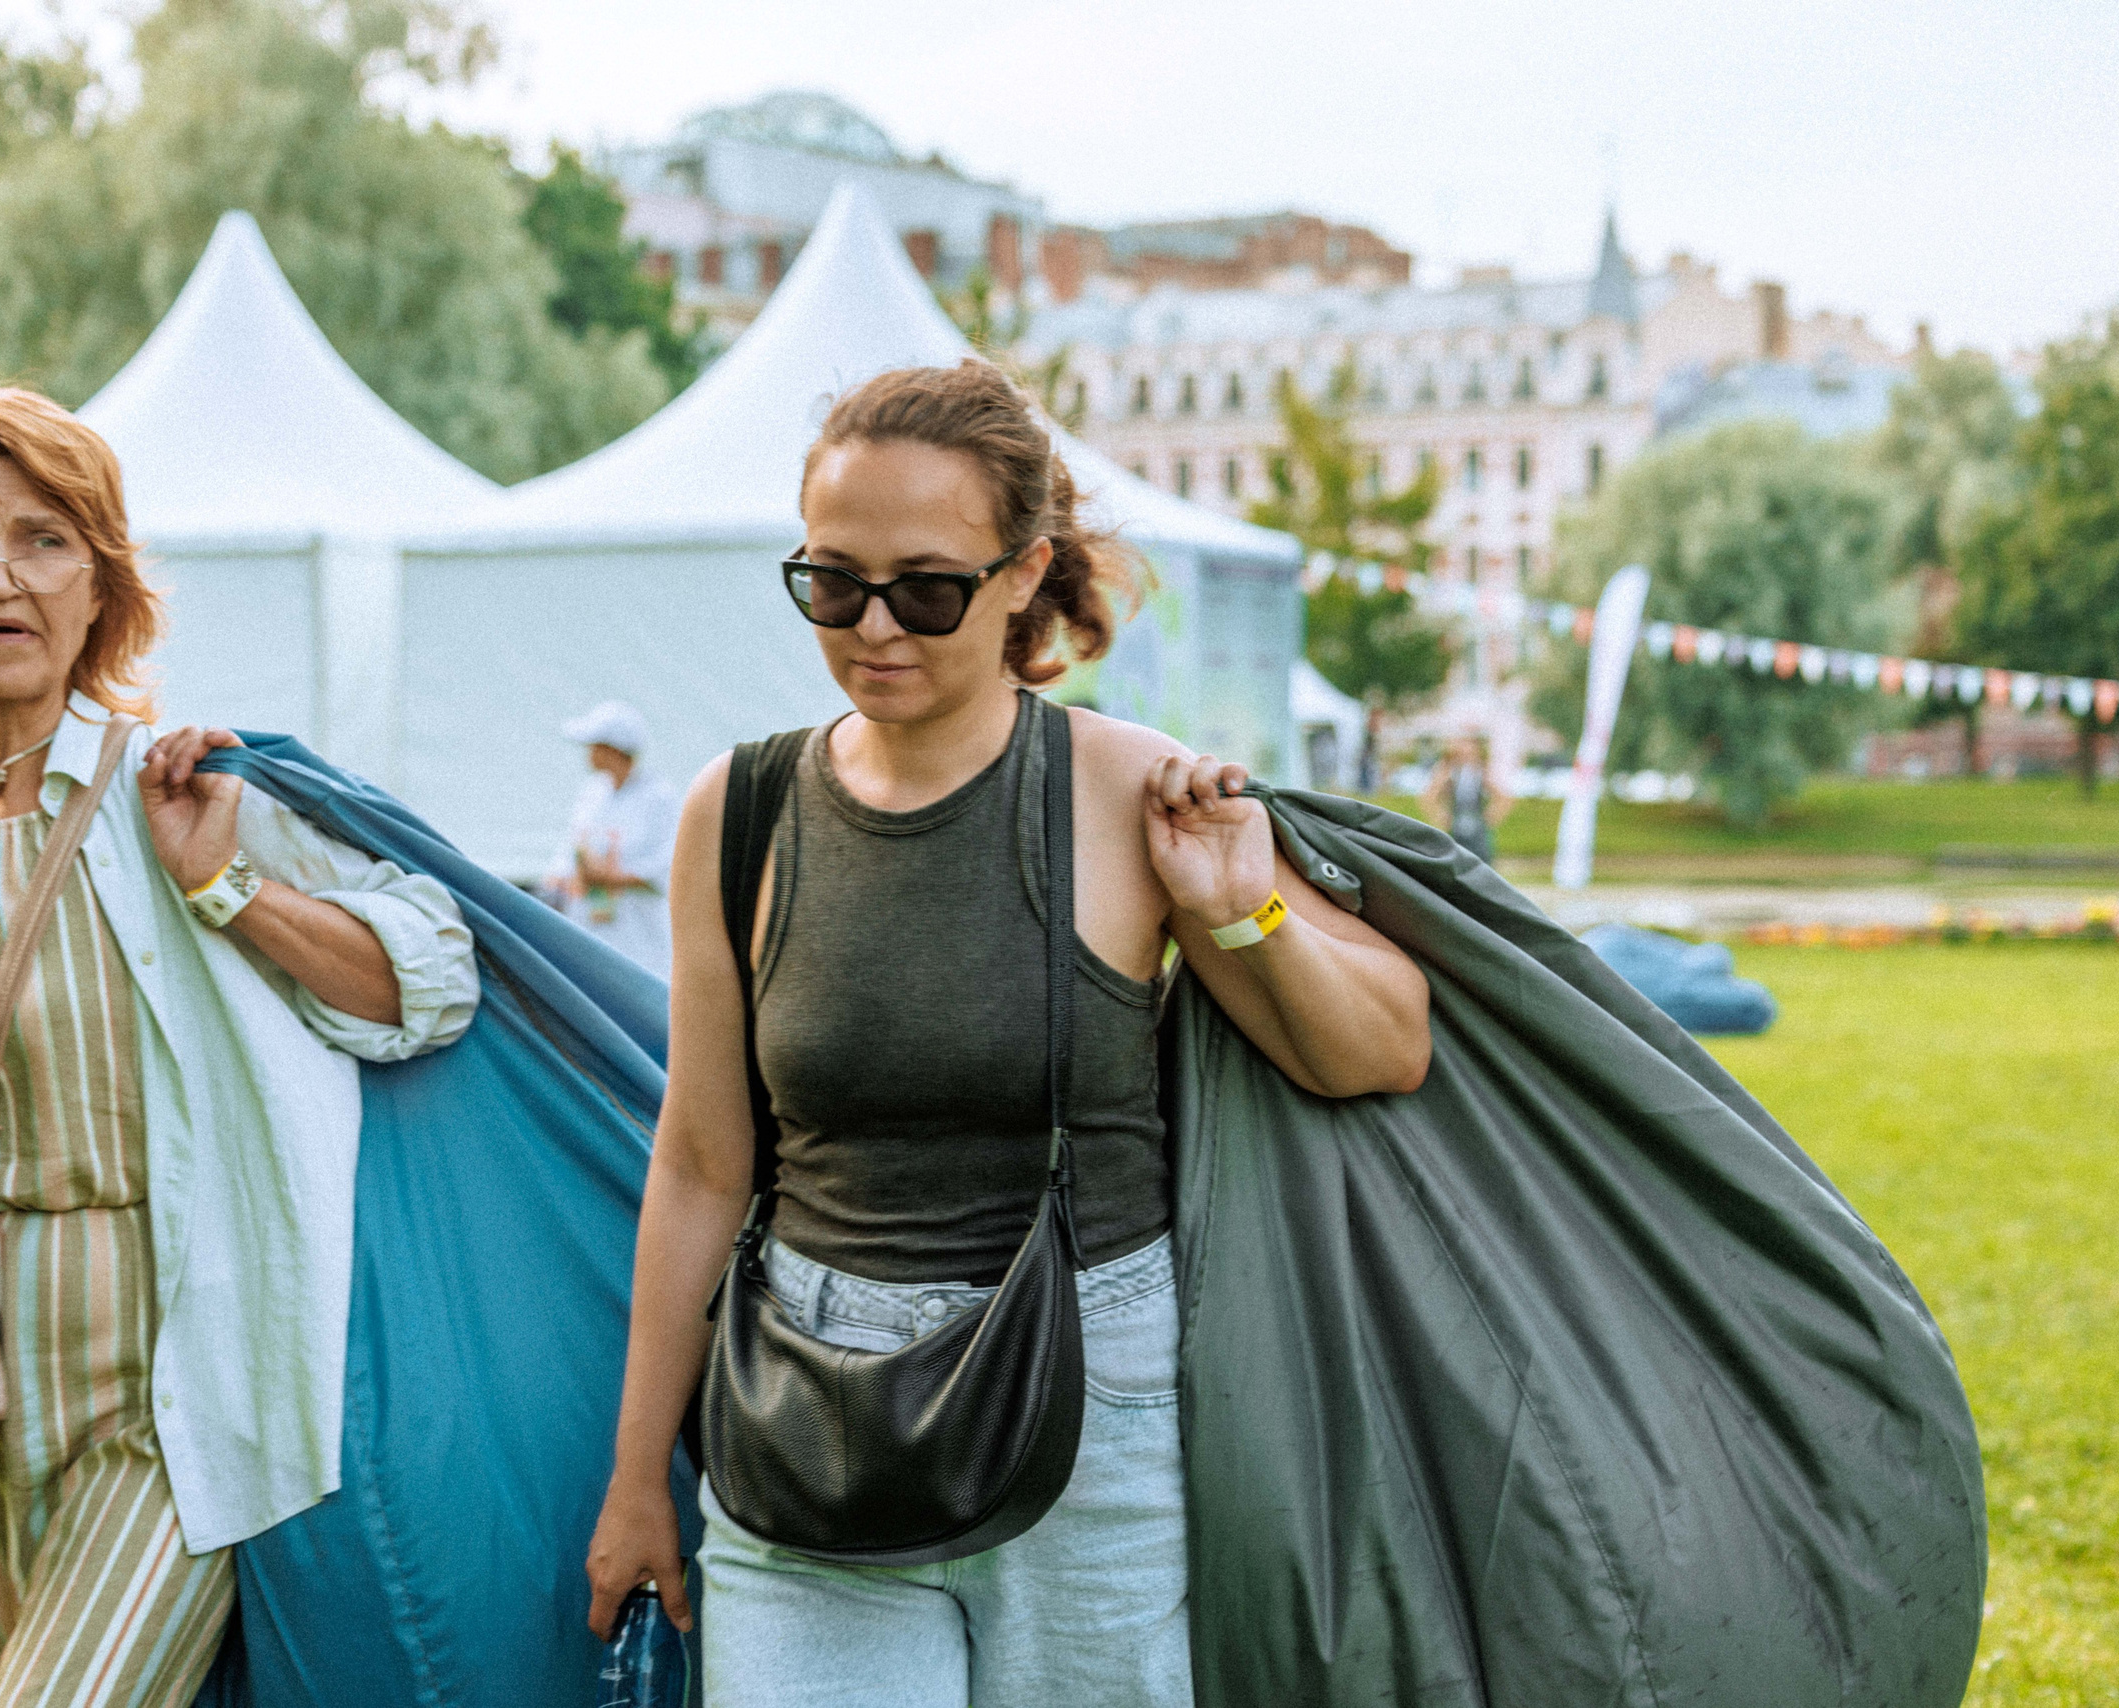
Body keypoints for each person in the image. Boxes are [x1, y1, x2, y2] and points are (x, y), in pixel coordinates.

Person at [582, 359, 1432, 1704]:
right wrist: (637, 1478)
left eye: (925, 587)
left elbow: (1381, 1049)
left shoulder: (1127, 787)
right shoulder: (734, 814)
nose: (875, 626)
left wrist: (1235, 913)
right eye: (831, 582)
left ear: (1025, 574)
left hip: (1092, 1408)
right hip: (808, 1415)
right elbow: (699, 1163)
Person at [0, 370, 478, 1708]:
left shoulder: (180, 787)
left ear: (101, 587)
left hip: (166, 1397)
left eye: (44, 538)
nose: (1, 576)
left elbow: (428, 978)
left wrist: (228, 890)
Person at [556, 700, 678, 978]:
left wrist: (612, 876)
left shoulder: (659, 798)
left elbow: (667, 865)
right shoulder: (592, 794)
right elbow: (570, 851)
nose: (588, 753)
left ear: (613, 750)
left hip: (639, 937)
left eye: (594, 745)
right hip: (591, 927)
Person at [1417, 730, 1512, 864]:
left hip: (1477, 824)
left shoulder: (1481, 771)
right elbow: (1429, 795)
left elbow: (1502, 796)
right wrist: (1440, 815)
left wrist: (1491, 815)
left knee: (1482, 862)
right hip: (1456, 824)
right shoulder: (1449, 770)